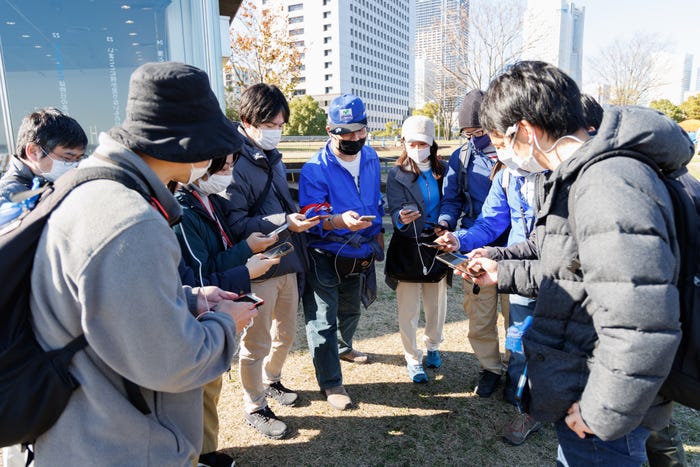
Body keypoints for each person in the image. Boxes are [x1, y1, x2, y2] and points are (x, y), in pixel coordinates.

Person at [29, 61, 258, 466]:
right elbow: (173, 361)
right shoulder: (132, 221)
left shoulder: (90, 189)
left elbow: (107, 304)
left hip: (77, 433)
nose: (213, 161)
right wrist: (227, 322)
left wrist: (188, 299)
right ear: (189, 144)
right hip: (117, 445)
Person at [468, 60, 692, 466]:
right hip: (585, 377)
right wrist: (504, 271)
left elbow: (641, 321)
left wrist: (601, 411)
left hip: (599, 396)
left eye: (500, 142)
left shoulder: (606, 185)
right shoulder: (580, 177)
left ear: (526, 131)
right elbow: (576, 270)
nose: (501, 153)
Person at [222, 83, 319, 440]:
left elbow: (280, 205)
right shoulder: (232, 162)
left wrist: (297, 218)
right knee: (257, 341)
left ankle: (272, 380)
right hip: (258, 265)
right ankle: (254, 405)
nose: (276, 130)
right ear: (247, 121)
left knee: (286, 333)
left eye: (280, 124)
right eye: (270, 123)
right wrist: (282, 222)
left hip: (287, 259)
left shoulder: (272, 158)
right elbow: (235, 224)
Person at [173, 153, 279, 467]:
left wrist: (248, 247)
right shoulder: (183, 209)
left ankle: (206, 450)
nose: (229, 172)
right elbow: (201, 276)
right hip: (201, 312)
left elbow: (220, 253)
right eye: (225, 165)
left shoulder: (209, 200)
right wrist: (247, 264)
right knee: (198, 391)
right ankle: (198, 454)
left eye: (232, 164)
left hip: (220, 304)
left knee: (212, 385)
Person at [299, 93, 385, 410]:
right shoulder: (314, 168)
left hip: (360, 251)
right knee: (322, 318)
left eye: (359, 130)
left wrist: (376, 232)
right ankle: (331, 382)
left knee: (351, 308)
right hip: (325, 252)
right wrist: (337, 220)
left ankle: (344, 347)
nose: (354, 138)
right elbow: (311, 215)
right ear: (329, 129)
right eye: (345, 132)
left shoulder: (372, 157)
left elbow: (375, 200)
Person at [437, 90, 509, 398]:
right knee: (480, 316)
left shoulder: (513, 157)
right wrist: (445, 222)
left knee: (516, 318)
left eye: (479, 132)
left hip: (512, 250)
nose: (475, 139)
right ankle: (490, 368)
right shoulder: (462, 157)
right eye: (468, 134)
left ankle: (519, 370)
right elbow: (451, 198)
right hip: (473, 244)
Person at [385, 116, 449, 383]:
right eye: (412, 142)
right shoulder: (396, 173)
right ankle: (413, 357)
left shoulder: (443, 170)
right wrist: (402, 216)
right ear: (404, 142)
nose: (417, 147)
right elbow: (394, 207)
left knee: (437, 305)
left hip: (437, 244)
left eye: (423, 143)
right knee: (408, 309)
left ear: (432, 143)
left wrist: (445, 224)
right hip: (408, 245)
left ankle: (433, 346)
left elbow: (452, 202)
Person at [0, 107, 87, 204]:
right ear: (33, 151)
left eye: (79, 159)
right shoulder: (7, 197)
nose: (75, 165)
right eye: (67, 158)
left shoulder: (52, 184)